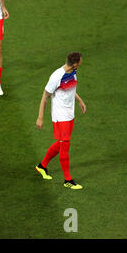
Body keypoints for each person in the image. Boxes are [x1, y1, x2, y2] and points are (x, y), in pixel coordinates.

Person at [35, 52, 86, 190]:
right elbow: (45, 96)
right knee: (65, 146)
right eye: (79, 62)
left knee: (61, 143)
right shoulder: (57, 76)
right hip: (60, 116)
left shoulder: (73, 72)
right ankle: (68, 180)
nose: (80, 64)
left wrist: (80, 101)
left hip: (70, 115)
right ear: (75, 64)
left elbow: (70, 89)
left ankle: (42, 166)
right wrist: (40, 117)